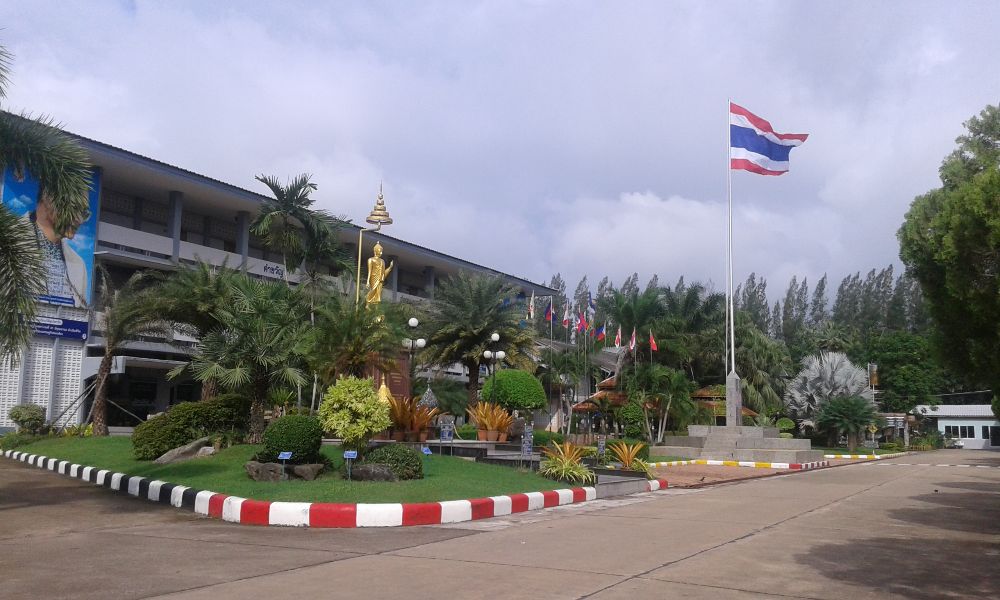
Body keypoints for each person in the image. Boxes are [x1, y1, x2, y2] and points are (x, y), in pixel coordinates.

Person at [30, 186, 89, 307]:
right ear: (48, 199)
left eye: (83, 213)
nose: (80, 220)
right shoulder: (8, 241)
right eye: (74, 208)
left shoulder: (79, 265)